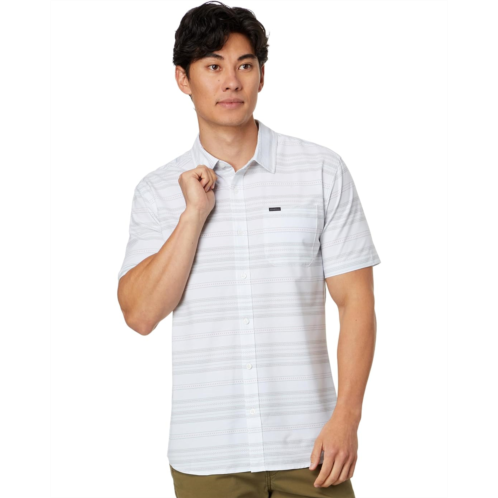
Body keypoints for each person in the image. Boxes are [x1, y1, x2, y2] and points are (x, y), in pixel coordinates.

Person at [117, 2, 380, 497]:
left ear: (261, 75)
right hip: (208, 456)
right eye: (213, 66)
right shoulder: (156, 192)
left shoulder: (321, 171)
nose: (231, 82)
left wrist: (347, 417)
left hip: (314, 448)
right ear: (183, 78)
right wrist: (193, 215)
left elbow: (356, 301)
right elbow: (140, 315)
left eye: (244, 65)